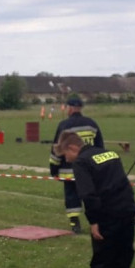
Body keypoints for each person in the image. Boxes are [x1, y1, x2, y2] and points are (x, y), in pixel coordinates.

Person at [56, 131, 135, 268]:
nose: (66, 160)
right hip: (127, 210)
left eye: (65, 155)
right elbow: (124, 183)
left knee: (102, 261)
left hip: (107, 215)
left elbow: (88, 195)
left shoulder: (82, 162)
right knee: (122, 259)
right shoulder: (109, 153)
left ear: (73, 147)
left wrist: (94, 221)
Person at [49, 95, 104, 234]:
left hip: (70, 170)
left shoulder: (64, 125)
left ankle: (75, 224)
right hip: (90, 170)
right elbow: (100, 147)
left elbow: (57, 149)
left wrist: (54, 169)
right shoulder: (92, 124)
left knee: (71, 196)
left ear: (70, 108)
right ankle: (96, 222)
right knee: (91, 196)